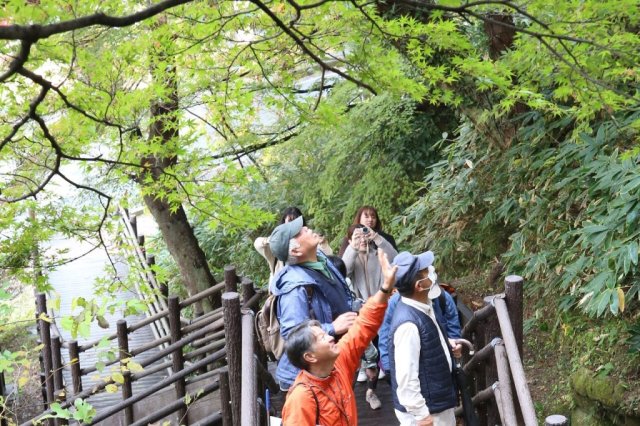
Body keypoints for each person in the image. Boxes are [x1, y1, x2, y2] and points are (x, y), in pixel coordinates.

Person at [281, 249, 398, 425]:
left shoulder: (338, 364)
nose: (330, 338)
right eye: (321, 338)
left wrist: (385, 288)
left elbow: (363, 327)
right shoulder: (302, 398)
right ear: (310, 356)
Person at [269, 216, 354, 392]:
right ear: (296, 251)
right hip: (307, 377)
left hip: (327, 362)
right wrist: (331, 328)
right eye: (300, 232)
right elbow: (293, 333)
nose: (306, 228)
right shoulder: (294, 289)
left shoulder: (319, 260)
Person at [388, 251, 461, 426]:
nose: (432, 272)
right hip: (428, 412)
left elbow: (425, 342)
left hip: (436, 403)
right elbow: (406, 379)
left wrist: (446, 346)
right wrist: (422, 416)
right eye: (427, 271)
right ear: (419, 286)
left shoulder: (423, 306)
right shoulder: (408, 325)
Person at [340, 223, 397, 409]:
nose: (362, 239)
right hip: (362, 314)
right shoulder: (351, 257)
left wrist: (376, 238)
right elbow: (342, 272)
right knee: (369, 357)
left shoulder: (377, 253)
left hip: (384, 308)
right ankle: (369, 393)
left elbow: (395, 258)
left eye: (364, 235)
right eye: (356, 236)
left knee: (388, 351)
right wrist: (353, 247)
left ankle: (392, 387)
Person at [379, 281, 462, 374]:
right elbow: (385, 335)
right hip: (408, 362)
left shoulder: (443, 298)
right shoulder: (395, 303)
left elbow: (453, 329)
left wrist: (456, 345)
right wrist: (388, 368)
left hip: (441, 362)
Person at [254, 207, 333, 290]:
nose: (292, 224)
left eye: (296, 221)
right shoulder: (277, 249)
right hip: (281, 291)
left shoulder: (308, 243)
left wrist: (323, 243)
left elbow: (328, 257)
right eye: (290, 221)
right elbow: (258, 244)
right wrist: (272, 240)